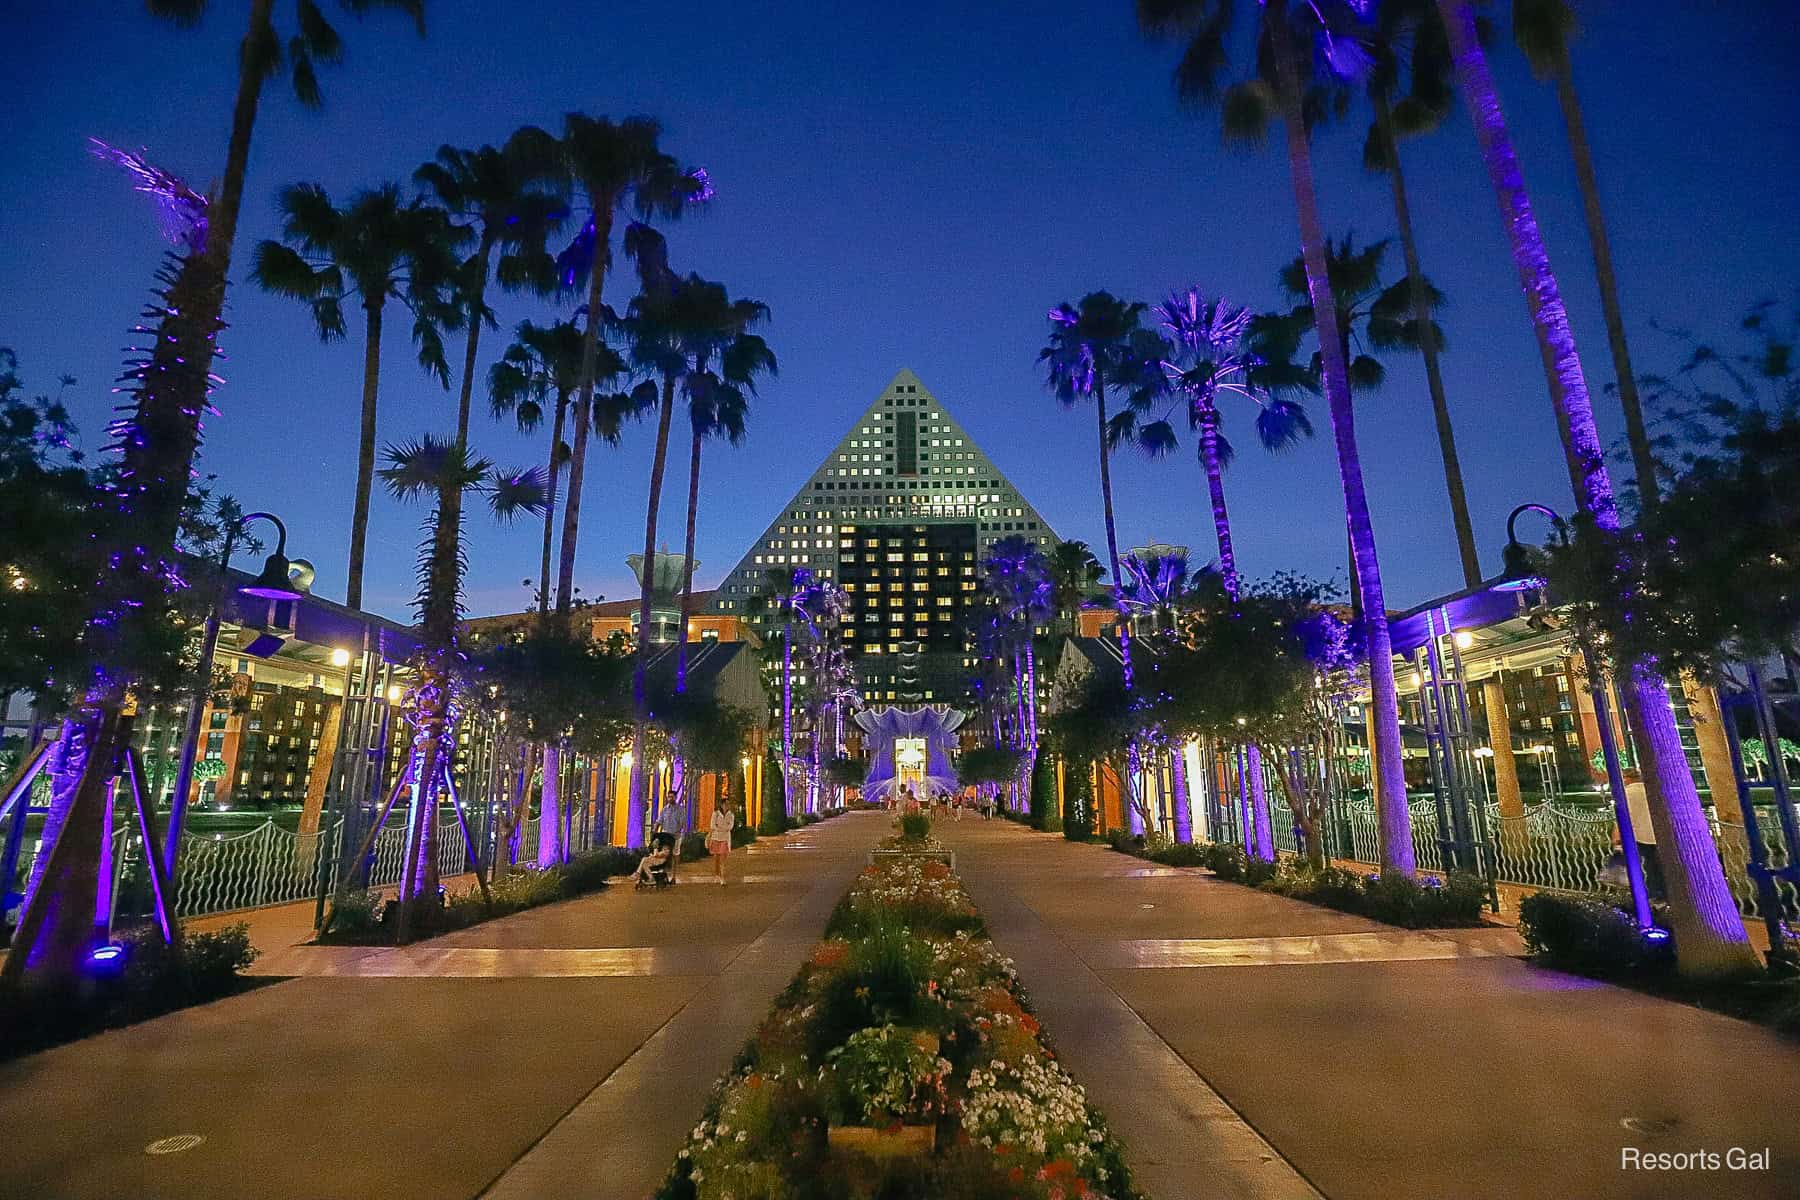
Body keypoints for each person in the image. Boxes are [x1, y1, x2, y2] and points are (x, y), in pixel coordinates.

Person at [656, 794, 687, 882]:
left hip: (676, 836)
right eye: (669, 796)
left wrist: (678, 831)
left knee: (674, 856)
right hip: (666, 835)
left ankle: (673, 876)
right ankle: (663, 874)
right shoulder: (665, 809)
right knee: (665, 855)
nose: (670, 798)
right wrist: (655, 830)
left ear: (675, 798)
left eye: (672, 797)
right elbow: (659, 820)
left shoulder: (680, 810)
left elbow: (682, 823)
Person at [707, 795, 736, 884]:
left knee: (723, 858)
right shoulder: (715, 814)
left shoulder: (730, 815)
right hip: (716, 838)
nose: (727, 806)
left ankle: (722, 877)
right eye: (726, 804)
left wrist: (720, 827)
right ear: (722, 805)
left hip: (725, 839)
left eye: (728, 804)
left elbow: (730, 827)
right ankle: (717, 874)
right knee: (716, 858)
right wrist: (721, 828)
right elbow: (712, 825)